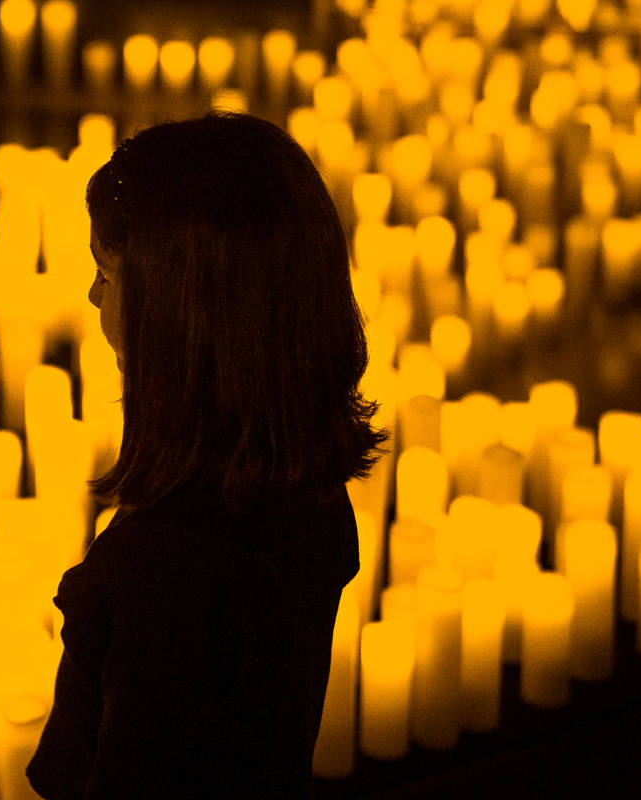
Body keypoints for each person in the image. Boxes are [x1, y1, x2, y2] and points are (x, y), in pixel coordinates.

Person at [25, 111, 389, 799]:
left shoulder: (166, 576)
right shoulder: (303, 496)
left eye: (107, 275)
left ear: (178, 320)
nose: (94, 296)